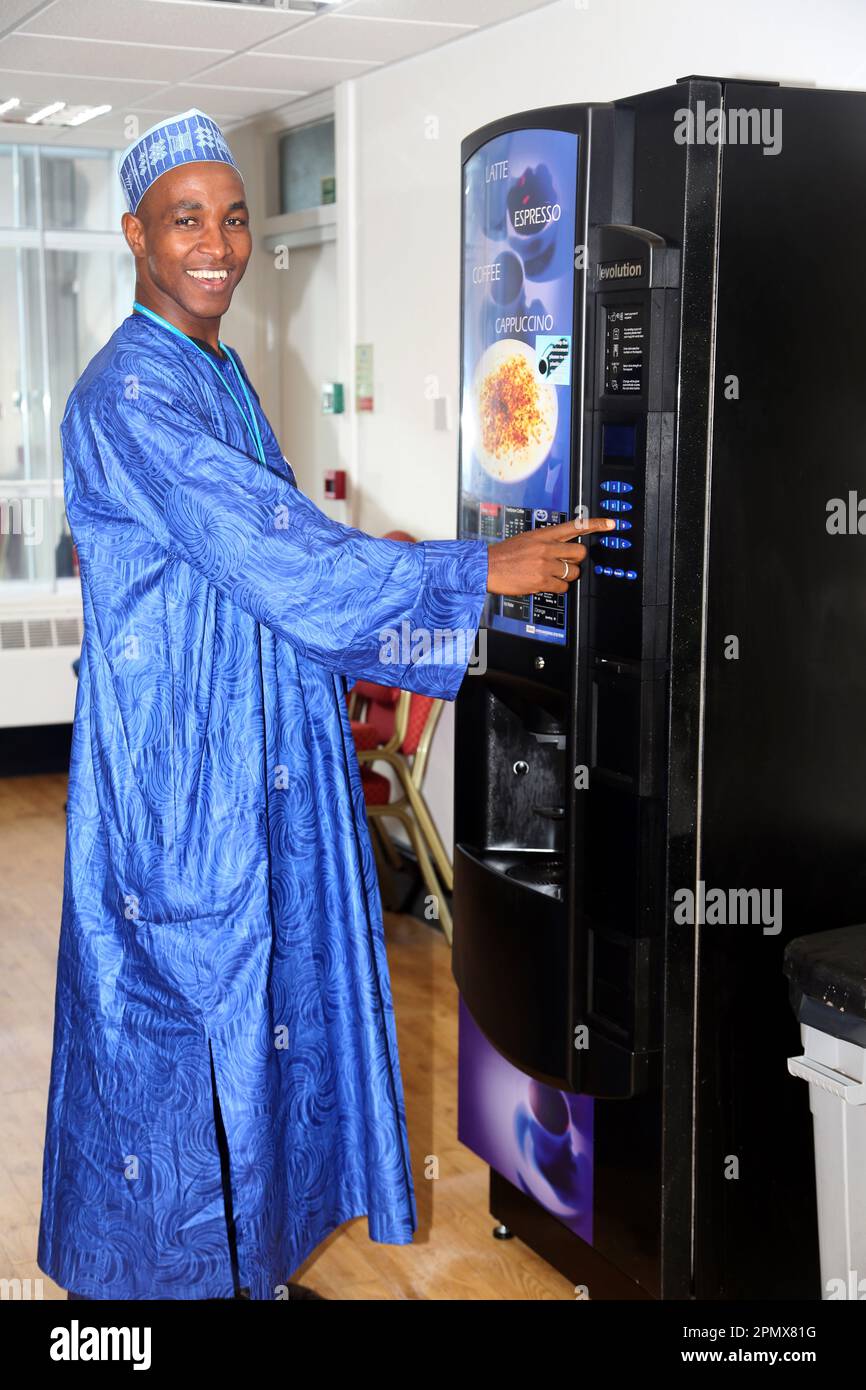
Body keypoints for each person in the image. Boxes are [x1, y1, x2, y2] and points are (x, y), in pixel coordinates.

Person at [35, 109, 613, 1302]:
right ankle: (172, 1290)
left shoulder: (215, 371)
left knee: (269, 1025)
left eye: (234, 218)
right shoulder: (131, 394)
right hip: (180, 789)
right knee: (184, 1044)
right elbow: (278, 554)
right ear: (133, 235)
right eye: (187, 220)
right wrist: (473, 572)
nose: (218, 244)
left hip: (255, 766)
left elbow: (291, 572)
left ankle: (245, 1270)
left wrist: (462, 595)